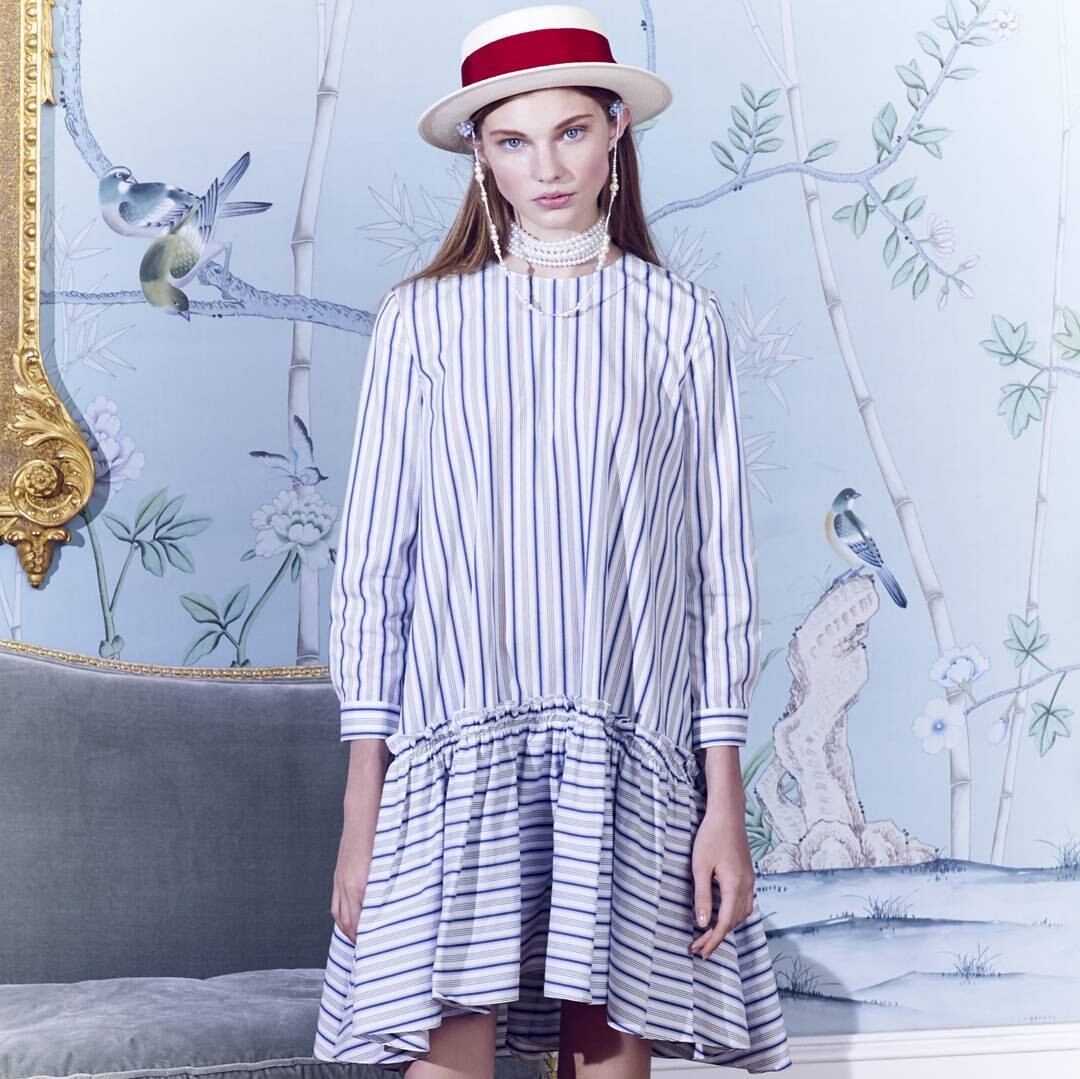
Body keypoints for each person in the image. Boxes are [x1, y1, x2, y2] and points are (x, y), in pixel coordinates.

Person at [312, 5, 793, 1077]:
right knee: (447, 1037)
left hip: (631, 747)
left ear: (617, 128)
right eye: (514, 140)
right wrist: (362, 808)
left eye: (571, 130)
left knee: (609, 1036)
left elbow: (721, 576)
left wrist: (724, 805)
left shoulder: (680, 322)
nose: (548, 167)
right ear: (479, 154)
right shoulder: (422, 321)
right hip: (457, 748)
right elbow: (375, 573)